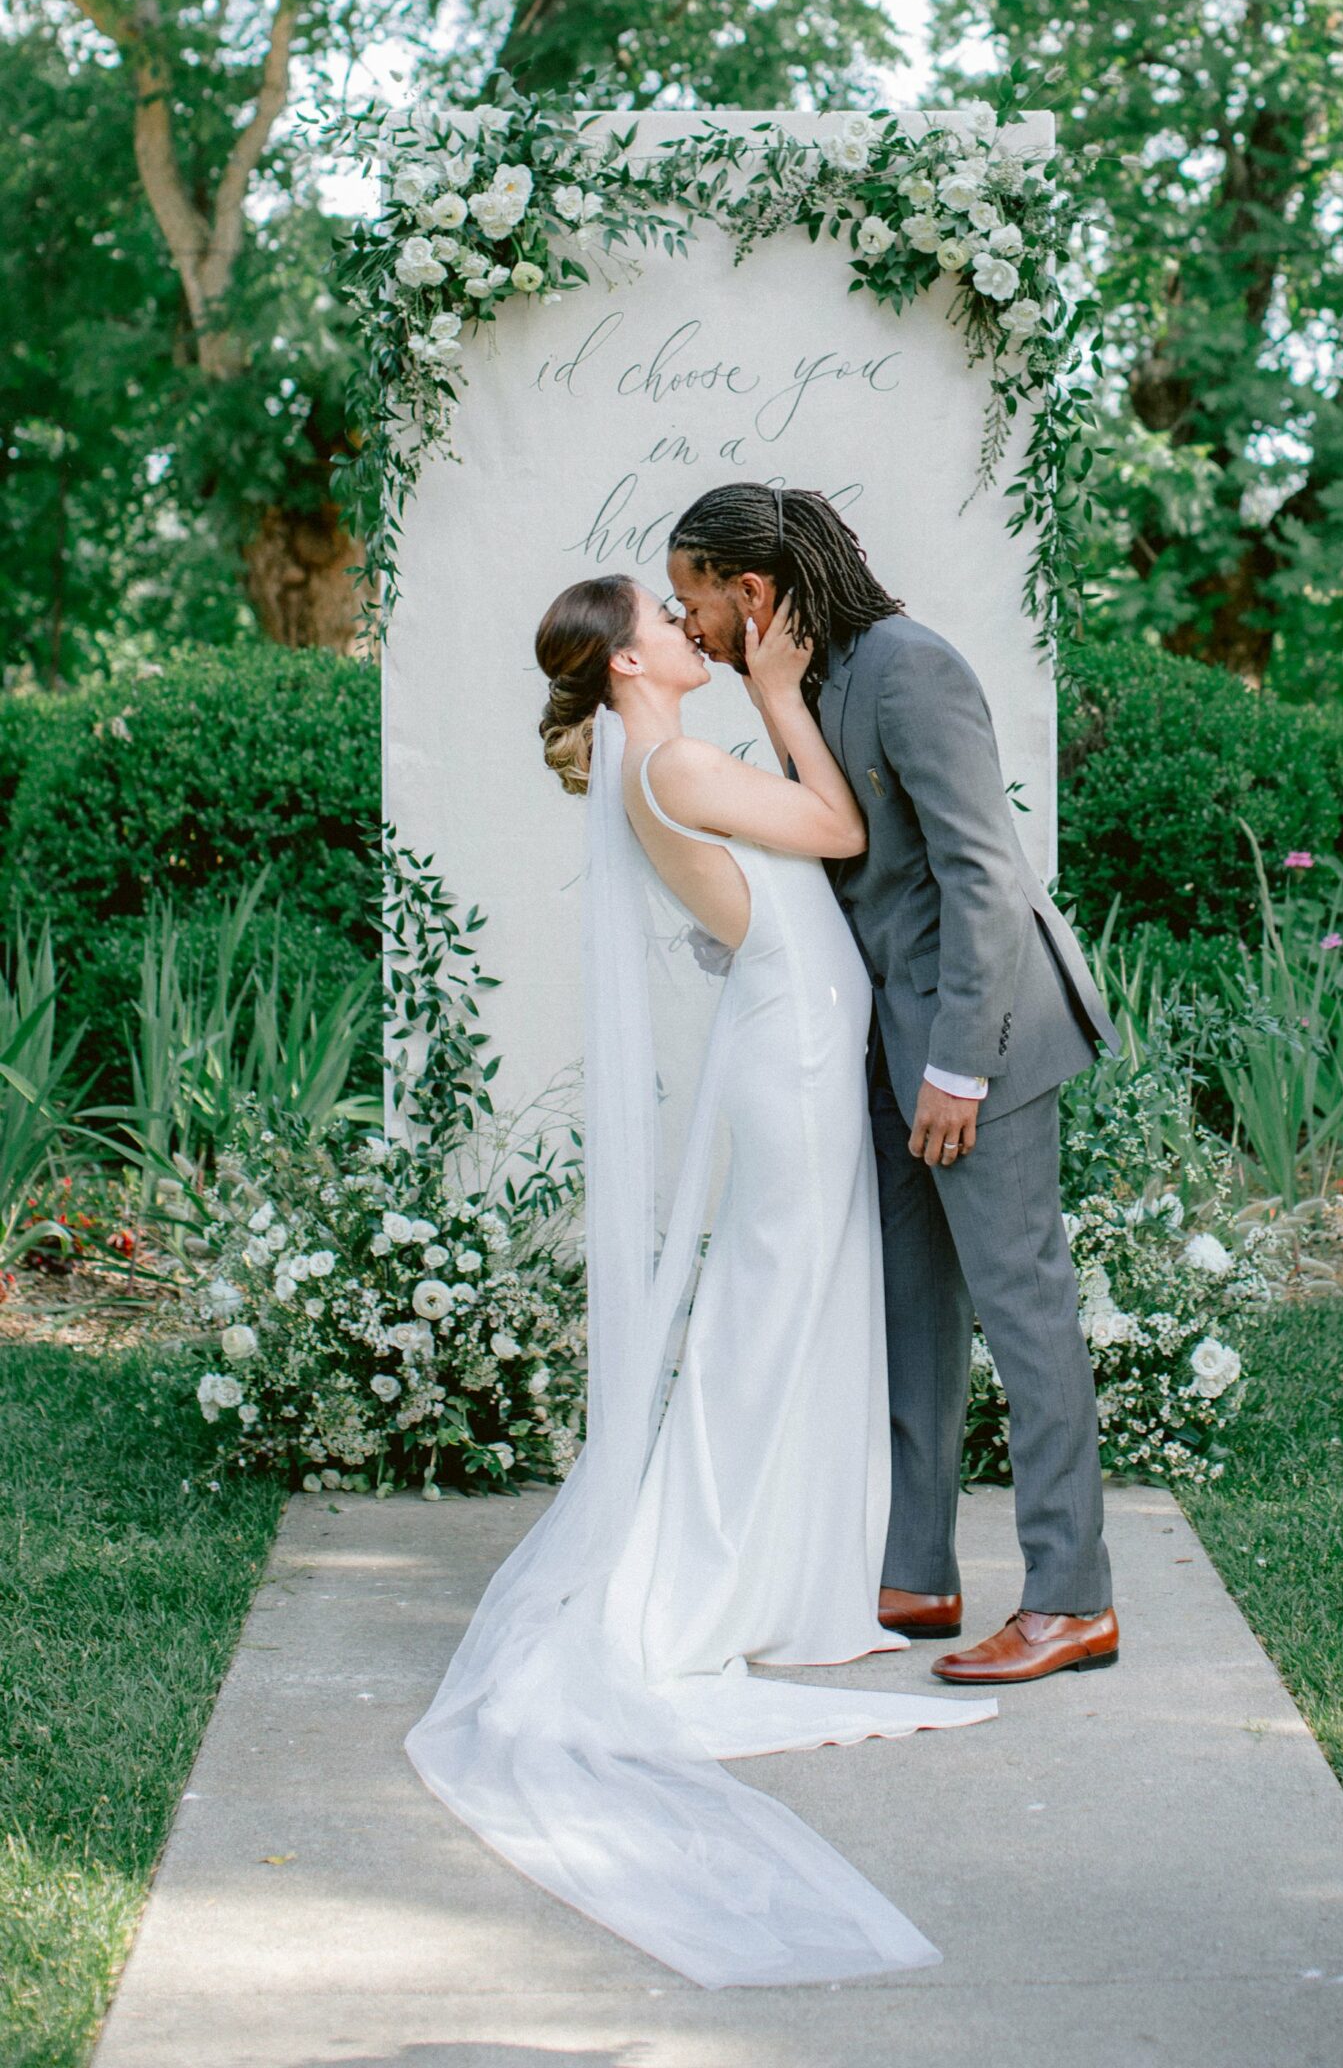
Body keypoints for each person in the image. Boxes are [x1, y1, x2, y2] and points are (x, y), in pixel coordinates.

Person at [404, 572, 991, 1992]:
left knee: (784, 1321)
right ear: (622, 669)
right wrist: (785, 695)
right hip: (789, 1061)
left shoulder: (663, 760)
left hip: (793, 1042)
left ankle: (777, 1582)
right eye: (662, 629)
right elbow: (843, 828)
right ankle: (706, 1597)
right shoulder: (675, 758)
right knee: (762, 1325)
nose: (690, 636)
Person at [666, 482, 1121, 1685]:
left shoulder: (909, 666)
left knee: (1023, 1314)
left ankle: (1072, 1596)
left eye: (692, 600)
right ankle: (914, 1572)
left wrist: (959, 1068)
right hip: (885, 1049)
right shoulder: (804, 687)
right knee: (910, 1312)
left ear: (751, 590)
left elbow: (982, 874)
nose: (687, 625)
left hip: (984, 1048)